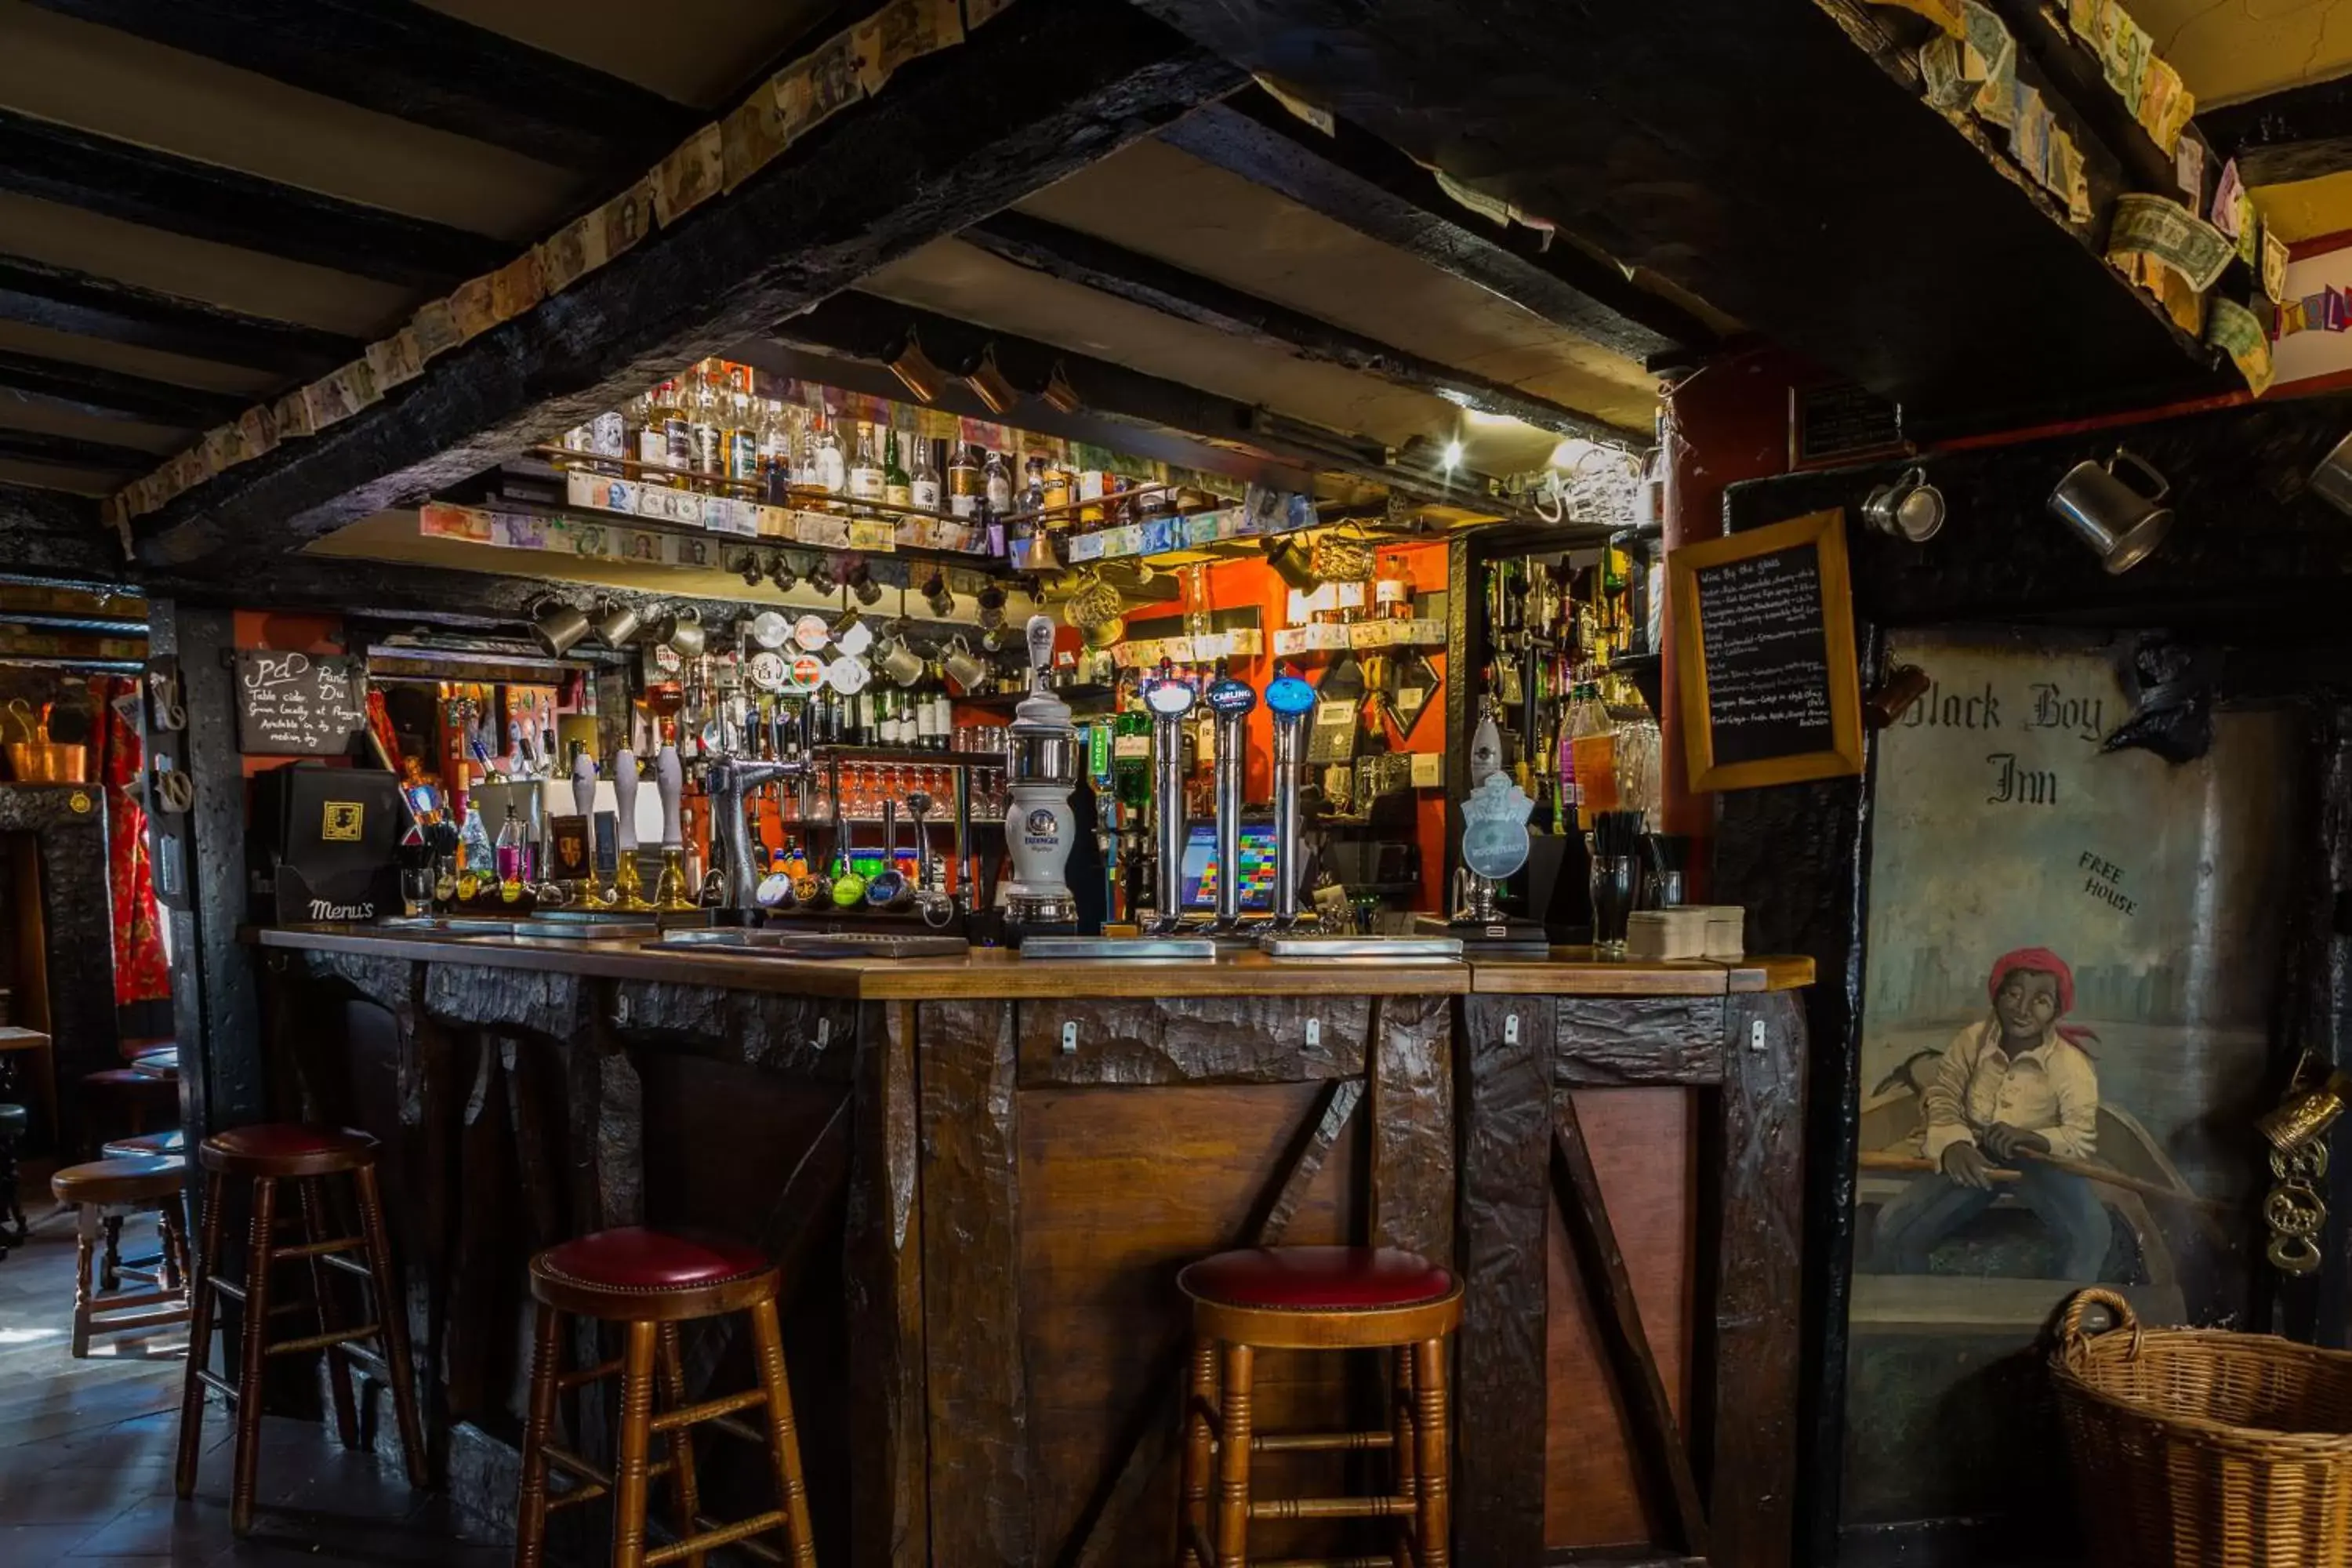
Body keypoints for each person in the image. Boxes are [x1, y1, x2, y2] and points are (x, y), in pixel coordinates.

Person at [1871, 946, 2109, 1279]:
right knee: (1893, 1227)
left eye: (2040, 1001)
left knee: (2092, 1235)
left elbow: (2079, 1138)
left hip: (2043, 1163)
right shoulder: (1972, 1040)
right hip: (1977, 1154)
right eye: (2013, 994)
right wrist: (1954, 1143)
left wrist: (2032, 1138)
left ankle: (2062, 1319)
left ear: (2056, 1011)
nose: (2022, 1009)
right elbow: (1944, 1097)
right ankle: (1911, 1307)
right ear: (1997, 995)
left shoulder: (2071, 1065)